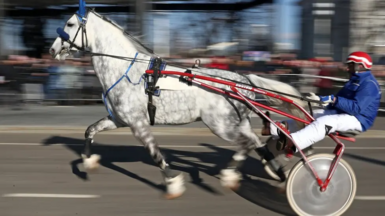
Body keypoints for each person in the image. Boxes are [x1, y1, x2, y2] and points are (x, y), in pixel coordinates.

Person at [264, 51, 382, 187]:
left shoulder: (369, 84)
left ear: (360, 66)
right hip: (343, 113)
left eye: (351, 65)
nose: (347, 68)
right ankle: (274, 128)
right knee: (309, 115)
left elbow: (356, 108)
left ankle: (294, 142)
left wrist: (333, 99)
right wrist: (320, 100)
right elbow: (338, 99)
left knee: (325, 122)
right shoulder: (354, 80)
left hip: (358, 120)